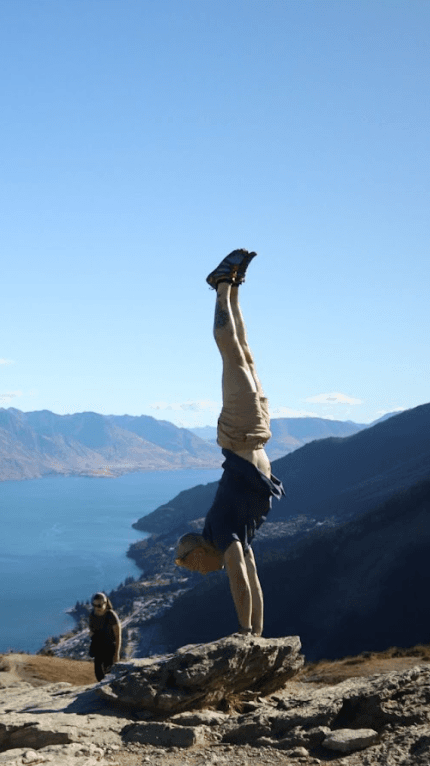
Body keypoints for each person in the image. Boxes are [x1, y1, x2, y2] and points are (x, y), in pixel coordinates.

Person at [174, 249, 285, 637]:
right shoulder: (231, 537)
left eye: (192, 566)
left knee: (232, 355)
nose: (200, 573)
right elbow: (251, 576)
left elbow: (237, 578)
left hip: (240, 434)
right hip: (255, 434)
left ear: (196, 552)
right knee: (247, 357)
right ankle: (232, 287)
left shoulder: (219, 533)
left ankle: (220, 285)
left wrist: (241, 634)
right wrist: (255, 636)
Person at [87, 592, 121, 680]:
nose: (96, 607)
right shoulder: (92, 615)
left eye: (99, 605)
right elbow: (92, 629)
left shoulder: (111, 616)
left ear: (105, 603)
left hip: (110, 648)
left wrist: (116, 654)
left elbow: (118, 636)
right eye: (94, 605)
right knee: (98, 672)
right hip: (99, 647)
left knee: (109, 672)